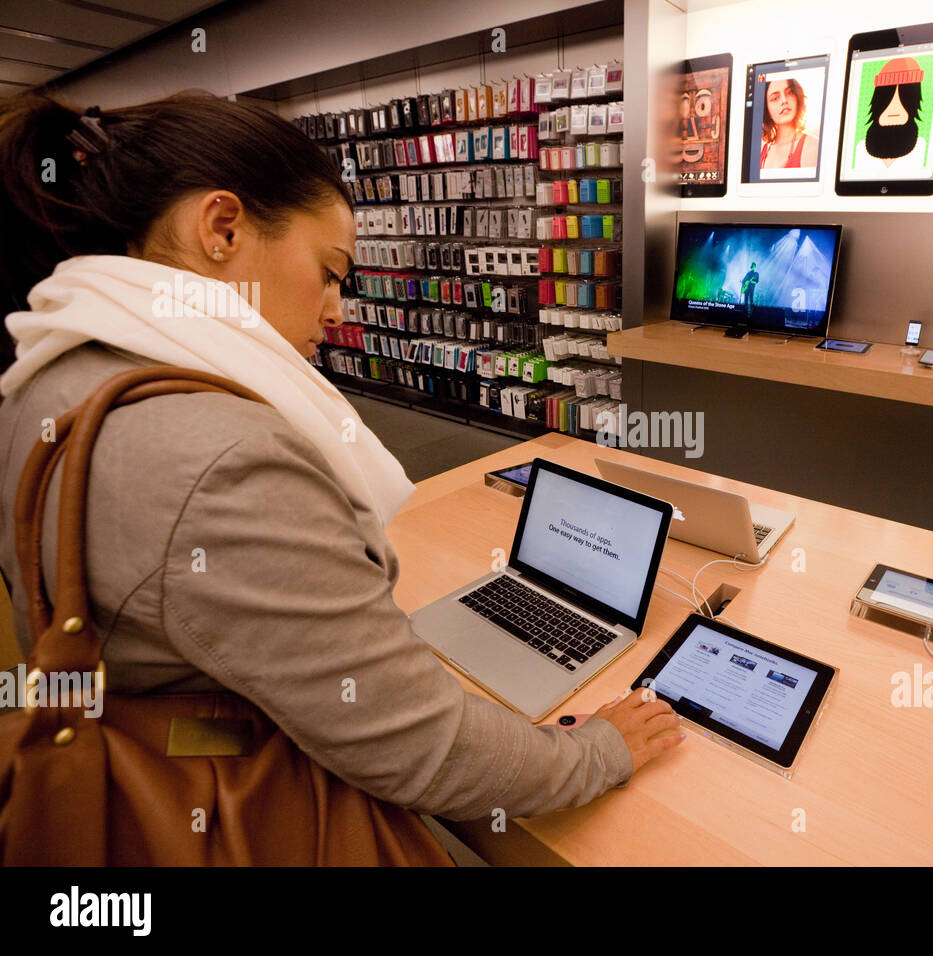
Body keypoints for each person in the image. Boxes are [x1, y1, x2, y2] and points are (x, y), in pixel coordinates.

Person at [0, 92, 684, 838]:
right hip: (249, 818)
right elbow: (423, 746)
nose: (337, 311)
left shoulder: (48, 377)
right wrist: (597, 750)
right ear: (222, 227)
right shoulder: (224, 455)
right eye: (330, 272)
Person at [856, 57, 927, 172]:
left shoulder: (921, 147)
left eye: (904, 97)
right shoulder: (860, 149)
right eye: (888, 97)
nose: (895, 105)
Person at [759, 76, 818, 171]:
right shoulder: (760, 152)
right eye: (775, 98)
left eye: (789, 93)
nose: (784, 100)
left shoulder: (813, 146)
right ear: (766, 109)